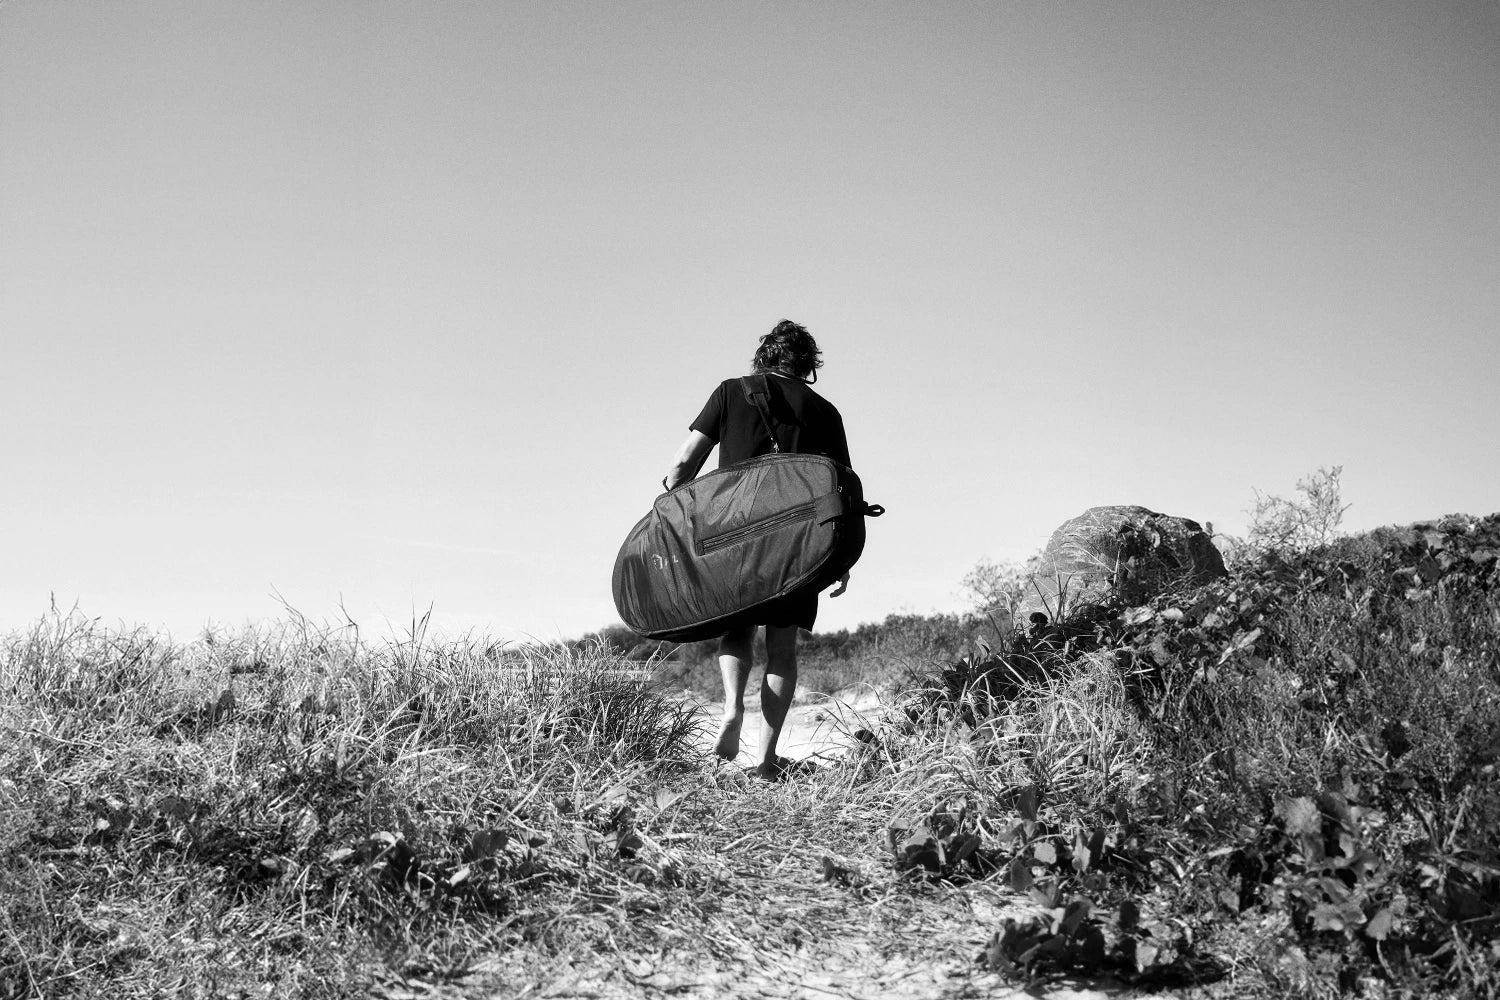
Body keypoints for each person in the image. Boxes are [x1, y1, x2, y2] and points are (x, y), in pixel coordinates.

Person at [661, 320, 854, 780]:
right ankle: (766, 762)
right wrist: (841, 558)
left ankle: (732, 708)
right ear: (808, 363)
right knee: (782, 648)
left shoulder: (732, 392)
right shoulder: (826, 412)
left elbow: (684, 462)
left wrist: (674, 505)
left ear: (765, 356)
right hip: (800, 546)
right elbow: (841, 489)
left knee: (736, 630)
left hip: (737, 538)